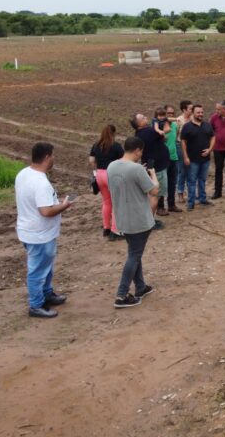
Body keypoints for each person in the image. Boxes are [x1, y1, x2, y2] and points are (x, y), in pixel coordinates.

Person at [15, 142, 72, 318]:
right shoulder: (40, 182)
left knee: (45, 267)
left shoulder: (24, 173)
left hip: (30, 230)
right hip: (39, 234)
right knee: (38, 270)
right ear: (47, 157)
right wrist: (64, 206)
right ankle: (36, 305)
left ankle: (47, 294)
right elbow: (46, 211)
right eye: (53, 155)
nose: (54, 159)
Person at [108, 136, 159, 308]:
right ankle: (121, 295)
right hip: (139, 219)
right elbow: (154, 190)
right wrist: (152, 175)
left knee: (134, 253)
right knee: (134, 255)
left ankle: (141, 287)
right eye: (141, 151)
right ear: (137, 150)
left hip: (122, 218)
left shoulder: (112, 166)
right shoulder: (136, 169)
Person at [131, 111, 169, 225]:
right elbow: (166, 130)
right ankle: (150, 221)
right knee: (154, 195)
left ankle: (148, 219)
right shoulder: (148, 132)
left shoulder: (140, 133)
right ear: (139, 124)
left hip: (152, 165)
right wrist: (164, 122)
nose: (146, 117)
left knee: (152, 195)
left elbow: (162, 138)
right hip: (156, 168)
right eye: (143, 117)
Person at [89, 124, 124, 240]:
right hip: (112, 174)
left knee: (106, 202)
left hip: (99, 174)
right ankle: (115, 230)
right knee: (117, 203)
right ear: (113, 133)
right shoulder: (116, 146)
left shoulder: (96, 145)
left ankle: (106, 228)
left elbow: (91, 160)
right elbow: (123, 160)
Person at [180, 104, 216, 210]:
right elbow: (183, 142)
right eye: (198, 112)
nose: (200, 114)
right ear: (193, 113)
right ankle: (191, 203)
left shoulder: (207, 125)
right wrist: (185, 157)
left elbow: (213, 137)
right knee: (191, 181)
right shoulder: (187, 126)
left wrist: (210, 149)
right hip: (192, 159)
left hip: (205, 159)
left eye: (202, 112)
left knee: (202, 179)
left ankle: (202, 199)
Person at [163, 105, 182, 213]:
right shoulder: (159, 125)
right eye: (168, 113)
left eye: (172, 113)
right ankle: (160, 206)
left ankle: (171, 204)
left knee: (172, 182)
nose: (170, 115)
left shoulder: (175, 126)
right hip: (163, 159)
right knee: (162, 184)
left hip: (173, 157)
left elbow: (175, 140)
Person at [175, 100, 192, 204]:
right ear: (184, 110)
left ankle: (191, 193)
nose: (192, 110)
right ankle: (180, 192)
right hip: (180, 146)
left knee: (192, 170)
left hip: (192, 146)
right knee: (182, 170)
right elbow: (175, 136)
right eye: (190, 108)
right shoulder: (178, 121)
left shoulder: (193, 119)